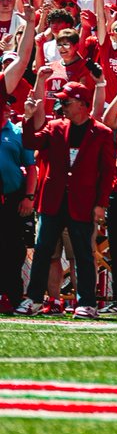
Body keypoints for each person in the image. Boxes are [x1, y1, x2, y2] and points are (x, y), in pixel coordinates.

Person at [17, 82, 115, 319]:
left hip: (83, 203)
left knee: (83, 254)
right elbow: (31, 143)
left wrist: (101, 203)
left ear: (82, 104)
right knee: (42, 251)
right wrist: (28, 119)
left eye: (67, 102)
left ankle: (87, 303)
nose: (62, 106)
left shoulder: (102, 133)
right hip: (52, 201)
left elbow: (107, 172)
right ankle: (34, 299)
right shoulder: (55, 126)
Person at [0, 96, 36, 312]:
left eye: (8, 105)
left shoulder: (17, 132)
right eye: (3, 105)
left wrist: (29, 197)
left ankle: (12, 295)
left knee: (13, 248)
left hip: (12, 198)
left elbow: (31, 167)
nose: (7, 109)